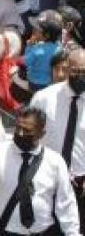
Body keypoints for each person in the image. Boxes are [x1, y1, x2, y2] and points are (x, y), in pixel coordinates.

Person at [0, 106, 80, 235]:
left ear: (41, 133)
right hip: (6, 231)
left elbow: (66, 203)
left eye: (27, 130)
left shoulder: (55, 161)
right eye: (17, 128)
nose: (20, 134)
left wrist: (72, 233)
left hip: (43, 232)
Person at [30, 48, 85, 229]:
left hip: (81, 185)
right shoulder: (44, 98)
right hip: (48, 184)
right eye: (76, 71)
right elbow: (30, 139)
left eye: (84, 72)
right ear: (67, 69)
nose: (80, 76)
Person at [24, 10, 63, 92]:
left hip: (34, 82)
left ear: (47, 35)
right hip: (50, 82)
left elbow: (26, 62)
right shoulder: (59, 47)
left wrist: (29, 45)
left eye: (37, 30)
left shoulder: (37, 50)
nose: (34, 30)